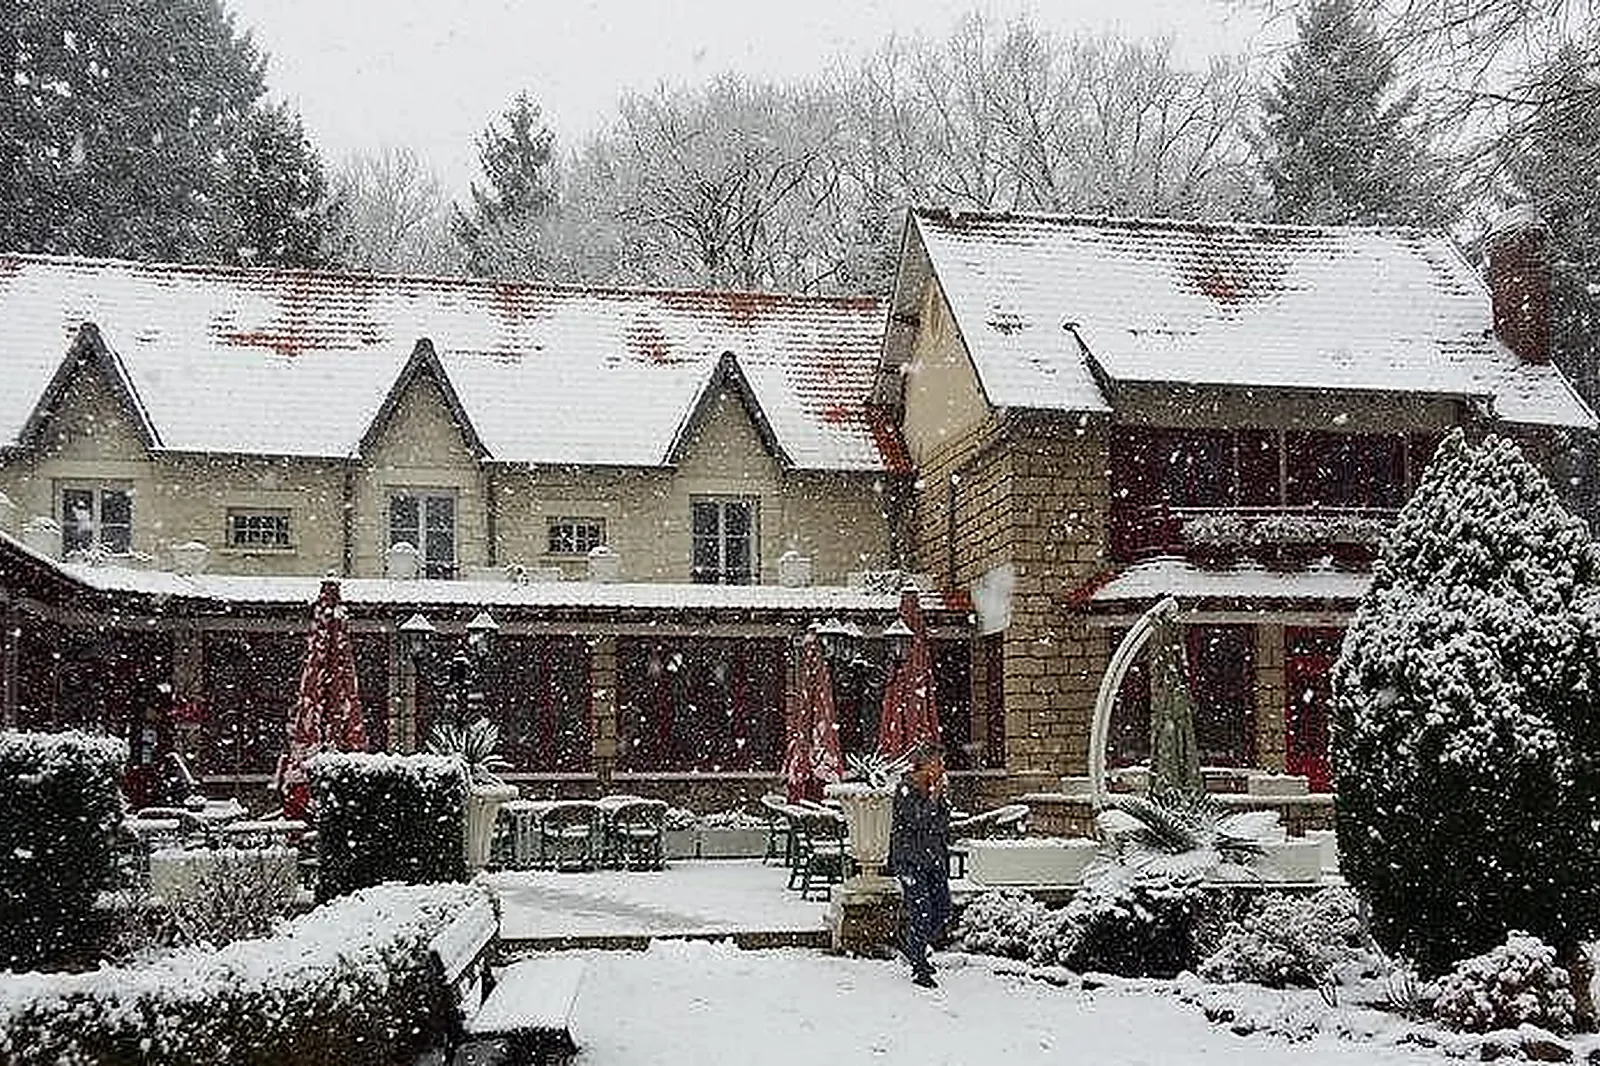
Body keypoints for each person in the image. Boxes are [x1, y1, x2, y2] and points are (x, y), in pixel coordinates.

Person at [889, 741, 951, 988]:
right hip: (910, 860)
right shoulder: (905, 789)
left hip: (933, 859)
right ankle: (919, 967)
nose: (942, 768)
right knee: (922, 912)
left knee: (943, 909)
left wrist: (940, 800)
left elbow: (942, 823)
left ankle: (912, 944)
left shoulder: (935, 789)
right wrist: (934, 799)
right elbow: (918, 820)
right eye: (938, 763)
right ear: (924, 765)